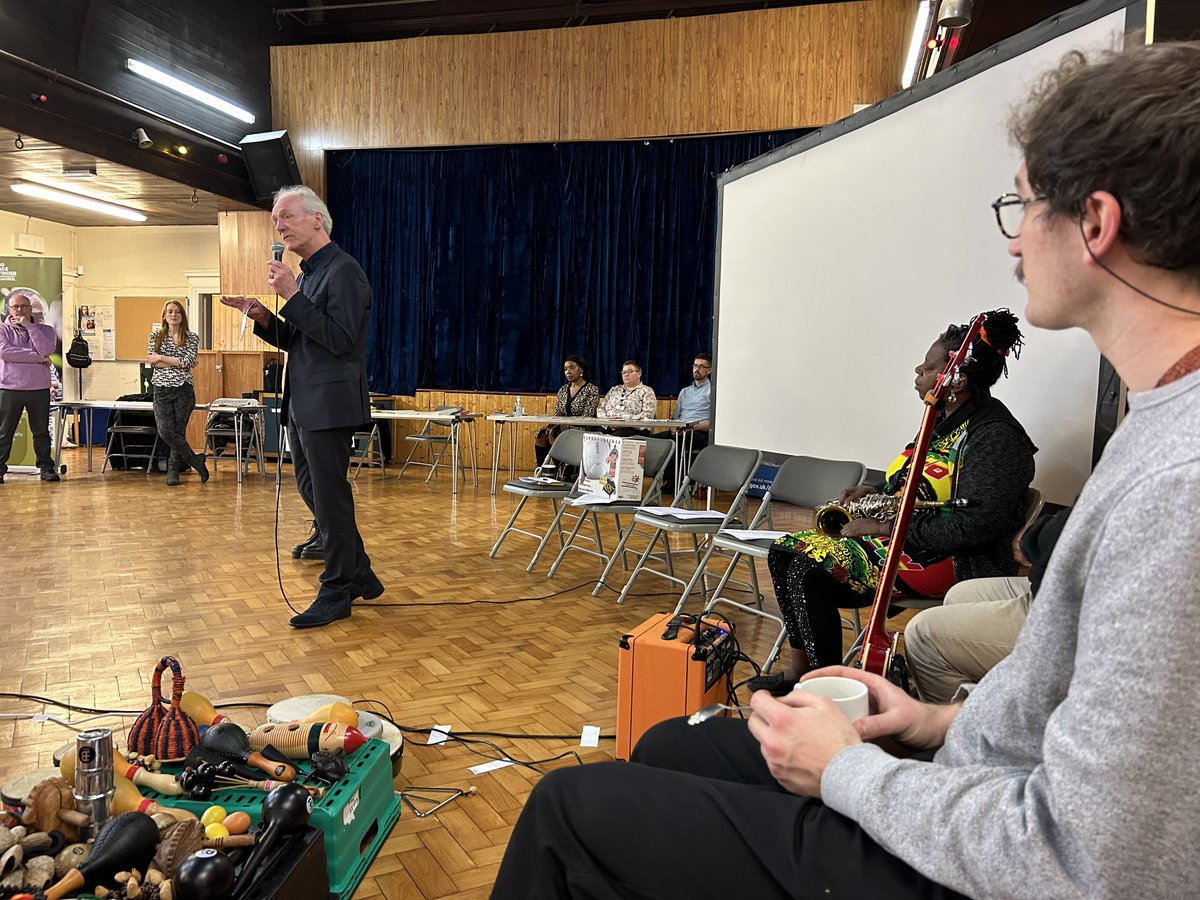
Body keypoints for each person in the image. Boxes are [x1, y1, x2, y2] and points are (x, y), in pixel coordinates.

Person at [490, 41, 1200, 899]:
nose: (1013, 242)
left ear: (1095, 222)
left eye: (1021, 204)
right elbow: (1069, 726)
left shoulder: (1177, 486)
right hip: (973, 775)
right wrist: (932, 722)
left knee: (570, 808)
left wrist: (847, 772)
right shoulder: (1157, 419)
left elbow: (1087, 862)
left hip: (982, 860)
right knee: (675, 743)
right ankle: (808, 661)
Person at [753, 310, 1035, 692]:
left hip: (951, 558)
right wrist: (875, 495)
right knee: (783, 551)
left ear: (957, 379)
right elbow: (915, 489)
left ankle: (828, 690)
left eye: (930, 366)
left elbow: (978, 524)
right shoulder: (942, 420)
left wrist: (888, 526)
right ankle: (800, 672)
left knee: (808, 570)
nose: (919, 370)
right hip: (908, 539)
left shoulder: (995, 436)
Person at [220, 185, 383, 628]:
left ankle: (337, 591)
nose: (280, 225)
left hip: (330, 403)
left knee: (329, 498)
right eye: (277, 220)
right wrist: (266, 318)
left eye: (286, 216)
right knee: (315, 492)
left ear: (317, 219)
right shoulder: (309, 274)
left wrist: (291, 297)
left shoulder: (343, 271)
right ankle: (361, 572)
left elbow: (342, 341)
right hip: (305, 402)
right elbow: (302, 340)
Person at [904, 506, 1068, 704]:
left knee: (922, 634)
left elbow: (972, 526)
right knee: (959, 595)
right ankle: (986, 700)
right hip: (1052, 584)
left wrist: (889, 527)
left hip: (1069, 610)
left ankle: (955, 728)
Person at [0, 290, 60, 483]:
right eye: (15, 306)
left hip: (39, 389)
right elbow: (6, 353)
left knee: (41, 431)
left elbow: (47, 349)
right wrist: (38, 358)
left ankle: (46, 468)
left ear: (31, 309)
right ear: (8, 309)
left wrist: (29, 326)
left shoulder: (46, 330)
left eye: (24, 306)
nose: (19, 310)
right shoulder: (2, 329)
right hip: (9, 388)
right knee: (4, 432)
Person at [147, 300, 208, 486]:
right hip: (161, 389)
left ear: (182, 316)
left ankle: (173, 471)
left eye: (177, 312)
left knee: (178, 432)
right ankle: (195, 461)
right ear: (164, 316)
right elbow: (152, 362)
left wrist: (162, 358)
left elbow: (188, 362)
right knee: (165, 431)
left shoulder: (192, 337)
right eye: (170, 312)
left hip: (183, 389)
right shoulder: (155, 336)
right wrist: (174, 361)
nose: (173, 315)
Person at [533, 355, 599, 466]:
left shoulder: (592, 389)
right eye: (565, 369)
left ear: (581, 370)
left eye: (572, 367)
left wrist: (563, 426)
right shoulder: (563, 390)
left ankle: (563, 471)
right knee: (542, 435)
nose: (568, 371)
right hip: (562, 427)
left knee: (560, 437)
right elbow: (558, 413)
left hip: (581, 428)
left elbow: (588, 416)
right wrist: (552, 428)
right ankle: (543, 471)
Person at [595, 360, 656, 436]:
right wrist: (607, 421)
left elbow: (647, 415)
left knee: (617, 435)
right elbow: (600, 408)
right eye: (624, 372)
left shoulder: (646, 391)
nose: (626, 374)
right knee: (596, 434)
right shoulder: (614, 389)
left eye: (630, 371)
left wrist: (625, 422)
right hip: (609, 425)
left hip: (633, 428)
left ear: (639, 373)